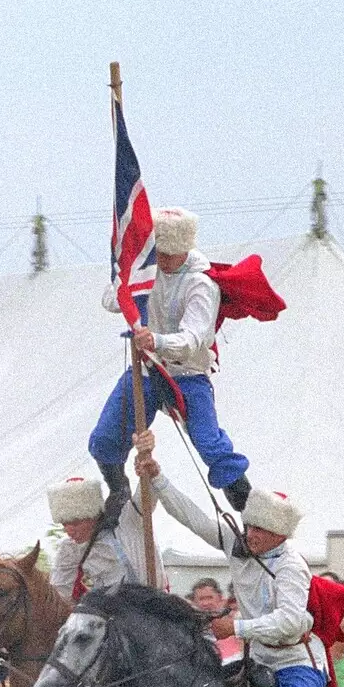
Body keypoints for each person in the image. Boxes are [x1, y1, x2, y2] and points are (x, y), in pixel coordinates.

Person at [135, 429, 344, 687]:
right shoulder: (239, 542)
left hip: (296, 662)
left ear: (280, 537)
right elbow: (194, 517)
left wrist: (238, 626)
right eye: (248, 527)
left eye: (259, 532)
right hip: (258, 657)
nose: (248, 535)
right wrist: (158, 477)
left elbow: (289, 621)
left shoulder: (292, 567)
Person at [92, 207, 251, 518]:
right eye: (157, 252)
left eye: (168, 254)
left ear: (184, 250)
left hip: (188, 374)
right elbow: (110, 301)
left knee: (211, 445)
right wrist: (125, 277)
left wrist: (158, 340)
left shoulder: (201, 283)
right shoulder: (145, 270)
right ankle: (118, 490)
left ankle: (251, 519)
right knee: (105, 436)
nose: (161, 260)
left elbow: (195, 339)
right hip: (148, 370)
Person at [47, 474, 153, 602]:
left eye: (75, 523)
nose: (69, 531)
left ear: (93, 516)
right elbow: (59, 594)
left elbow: (146, 496)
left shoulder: (126, 524)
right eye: (64, 524)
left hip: (153, 602)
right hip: (112, 611)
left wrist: (148, 473)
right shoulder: (70, 549)